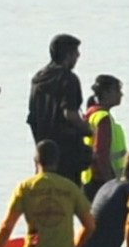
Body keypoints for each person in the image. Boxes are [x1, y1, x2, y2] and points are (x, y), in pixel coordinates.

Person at [25, 35, 86, 180]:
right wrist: (88, 129)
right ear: (68, 54)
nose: (78, 55)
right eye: (76, 52)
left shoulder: (38, 79)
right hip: (67, 154)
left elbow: (32, 117)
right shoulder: (68, 79)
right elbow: (70, 114)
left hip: (43, 151)